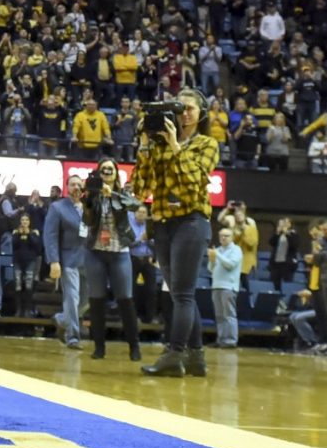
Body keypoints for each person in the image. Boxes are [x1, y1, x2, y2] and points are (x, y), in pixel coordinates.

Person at [134, 89, 220, 378]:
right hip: (163, 224)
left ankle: (174, 353)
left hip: (192, 221)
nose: (184, 113)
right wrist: (145, 144)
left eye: (190, 109)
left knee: (182, 294)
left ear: (201, 114)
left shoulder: (208, 144)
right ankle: (196, 357)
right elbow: (139, 188)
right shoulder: (157, 146)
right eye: (179, 108)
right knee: (181, 296)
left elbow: (194, 180)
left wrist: (174, 144)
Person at [81, 158, 141, 360]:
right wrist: (90, 198)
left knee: (126, 300)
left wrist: (112, 194)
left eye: (110, 169)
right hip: (95, 251)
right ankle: (99, 347)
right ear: (98, 173)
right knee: (96, 301)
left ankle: (134, 347)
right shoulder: (92, 194)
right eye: (103, 169)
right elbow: (87, 220)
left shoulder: (123, 193)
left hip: (119, 251)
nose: (107, 172)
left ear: (116, 173)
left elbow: (136, 205)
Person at [43, 175, 88, 349]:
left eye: (79, 184)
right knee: (72, 298)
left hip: (89, 260)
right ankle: (73, 337)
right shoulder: (57, 207)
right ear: (67, 187)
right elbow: (50, 235)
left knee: (87, 300)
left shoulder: (90, 207)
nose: (76, 187)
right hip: (68, 259)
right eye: (72, 184)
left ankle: (62, 319)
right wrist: (54, 261)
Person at [209, 226, 242, 348]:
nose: (223, 238)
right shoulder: (218, 250)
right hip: (216, 286)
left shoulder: (236, 250)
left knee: (229, 315)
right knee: (219, 315)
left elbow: (230, 265)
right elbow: (210, 269)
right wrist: (212, 260)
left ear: (232, 237)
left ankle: (231, 341)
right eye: (221, 235)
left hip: (229, 287)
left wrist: (217, 255)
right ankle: (221, 339)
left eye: (226, 235)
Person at [10, 212, 42, 318]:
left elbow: (37, 247)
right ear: (20, 221)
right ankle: (18, 310)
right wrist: (19, 234)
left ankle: (27, 309)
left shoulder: (34, 232)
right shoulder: (15, 232)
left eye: (26, 220)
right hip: (18, 260)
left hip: (30, 260)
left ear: (30, 222)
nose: (24, 222)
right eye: (23, 220)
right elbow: (14, 245)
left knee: (29, 284)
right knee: (18, 284)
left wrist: (29, 234)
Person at [267, 217, 299, 292]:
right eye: (284, 222)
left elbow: (294, 245)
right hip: (276, 263)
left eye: (287, 223)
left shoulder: (293, 234)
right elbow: (271, 242)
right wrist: (277, 233)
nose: (285, 224)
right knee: (275, 283)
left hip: (287, 263)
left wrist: (287, 234)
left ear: (290, 224)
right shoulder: (279, 234)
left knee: (286, 284)